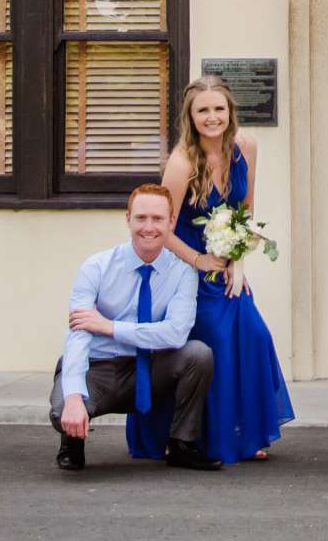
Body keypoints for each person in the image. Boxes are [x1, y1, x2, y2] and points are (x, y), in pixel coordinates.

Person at [136, 75, 295, 465]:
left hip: (227, 265)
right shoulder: (181, 162)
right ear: (190, 117)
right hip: (188, 267)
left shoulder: (247, 147)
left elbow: (246, 210)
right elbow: (163, 227)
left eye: (218, 109)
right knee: (217, 344)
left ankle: (246, 432)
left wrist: (236, 259)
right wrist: (200, 261)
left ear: (230, 112)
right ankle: (203, 437)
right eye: (203, 110)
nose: (212, 117)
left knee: (253, 336)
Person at [50, 184, 219, 473]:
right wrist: (75, 398)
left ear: (172, 222)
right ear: (128, 218)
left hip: (152, 367)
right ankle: (72, 440)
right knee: (61, 410)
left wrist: (110, 327)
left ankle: (181, 444)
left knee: (198, 354)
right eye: (141, 218)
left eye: (157, 219)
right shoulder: (96, 267)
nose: (149, 227)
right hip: (99, 367)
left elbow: (176, 332)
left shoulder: (182, 273)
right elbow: (78, 335)